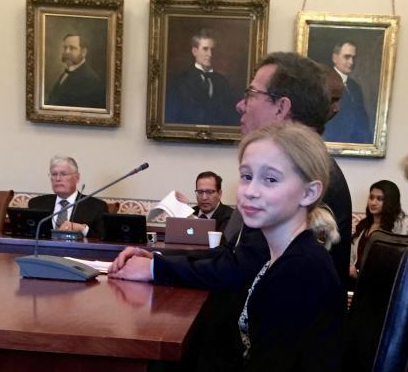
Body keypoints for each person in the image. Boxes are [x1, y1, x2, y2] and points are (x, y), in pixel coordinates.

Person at [133, 122, 344, 372]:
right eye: (246, 177)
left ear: (309, 192)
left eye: (271, 180)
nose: (251, 191)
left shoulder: (300, 269)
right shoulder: (280, 256)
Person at [111, 52, 352, 291]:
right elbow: (232, 253)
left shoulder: (311, 176)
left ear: (281, 108)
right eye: (247, 177)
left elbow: (245, 269)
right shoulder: (293, 168)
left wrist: (156, 269)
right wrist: (158, 260)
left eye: (251, 94)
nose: (239, 105)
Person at [165, 28, 238, 126]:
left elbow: (230, 117)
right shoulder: (180, 81)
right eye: (205, 49)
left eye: (213, 50)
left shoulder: (222, 82)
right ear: (195, 51)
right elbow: (172, 119)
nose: (210, 54)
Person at [29, 156, 108, 238]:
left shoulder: (97, 207)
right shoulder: (36, 204)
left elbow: (104, 239)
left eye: (63, 174)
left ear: (77, 178)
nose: (58, 178)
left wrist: (82, 229)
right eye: (54, 174)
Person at [350, 180, 406, 281]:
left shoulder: (398, 228)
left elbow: (393, 264)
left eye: (379, 199)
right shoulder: (363, 225)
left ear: (390, 202)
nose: (373, 202)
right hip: (356, 281)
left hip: (380, 284)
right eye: (371, 197)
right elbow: (352, 255)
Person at [323, 41, 372, 144]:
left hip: (354, 144)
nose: (351, 62)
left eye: (353, 58)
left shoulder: (355, 87)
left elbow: (362, 120)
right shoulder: (324, 82)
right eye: (347, 57)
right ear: (335, 58)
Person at [47, 33, 105, 108]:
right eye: (65, 48)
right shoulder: (67, 72)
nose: (67, 52)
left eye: (72, 48)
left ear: (83, 52)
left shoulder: (90, 80)